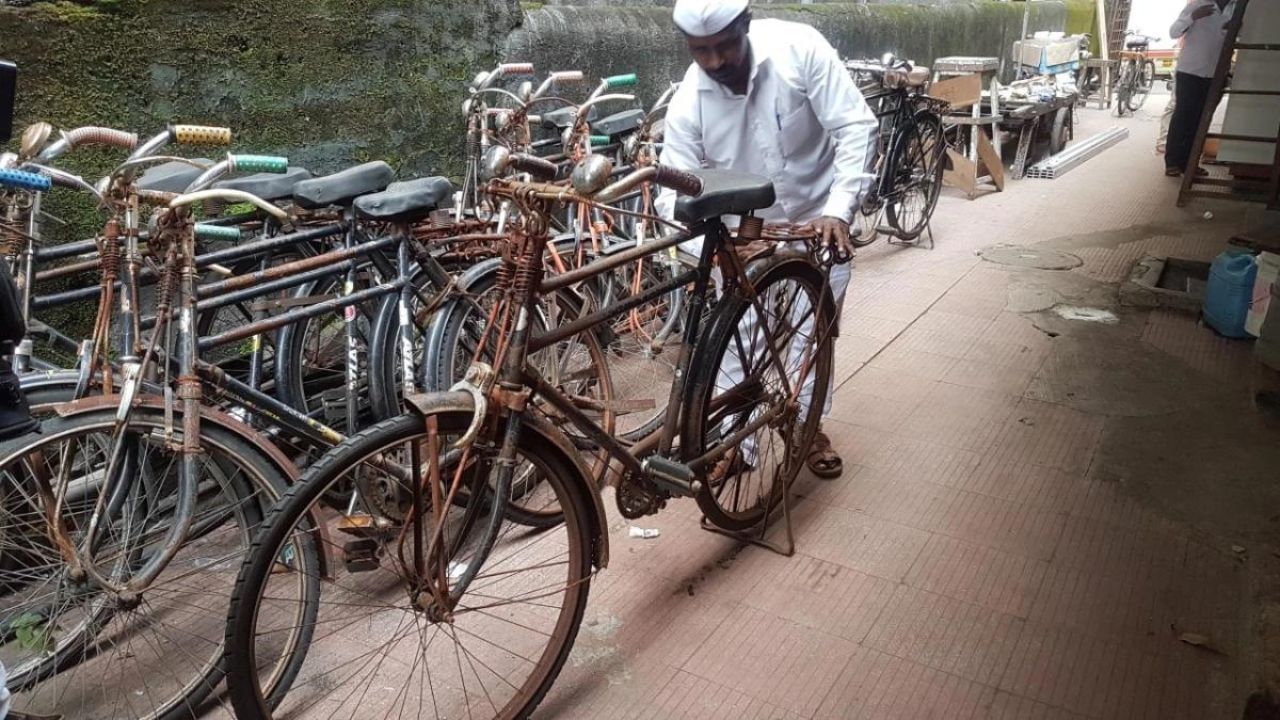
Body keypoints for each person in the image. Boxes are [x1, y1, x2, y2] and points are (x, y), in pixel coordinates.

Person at [657, 0, 876, 478]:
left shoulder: (800, 49)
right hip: (746, 235)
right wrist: (716, 252)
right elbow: (673, 198)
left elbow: (855, 127)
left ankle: (805, 424)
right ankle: (739, 445)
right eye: (701, 51)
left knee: (810, 328)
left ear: (746, 27)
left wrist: (839, 209)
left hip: (820, 217)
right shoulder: (687, 105)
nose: (715, 63)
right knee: (738, 339)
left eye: (725, 46)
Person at [1164, 0, 1236, 177]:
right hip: (1190, 70)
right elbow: (1173, 32)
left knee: (1202, 120)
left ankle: (1190, 164)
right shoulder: (1199, 5)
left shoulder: (1236, 8)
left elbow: (1241, 34)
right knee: (1183, 117)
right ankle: (1172, 162)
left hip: (1216, 73)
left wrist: (1237, 28)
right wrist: (1192, 17)